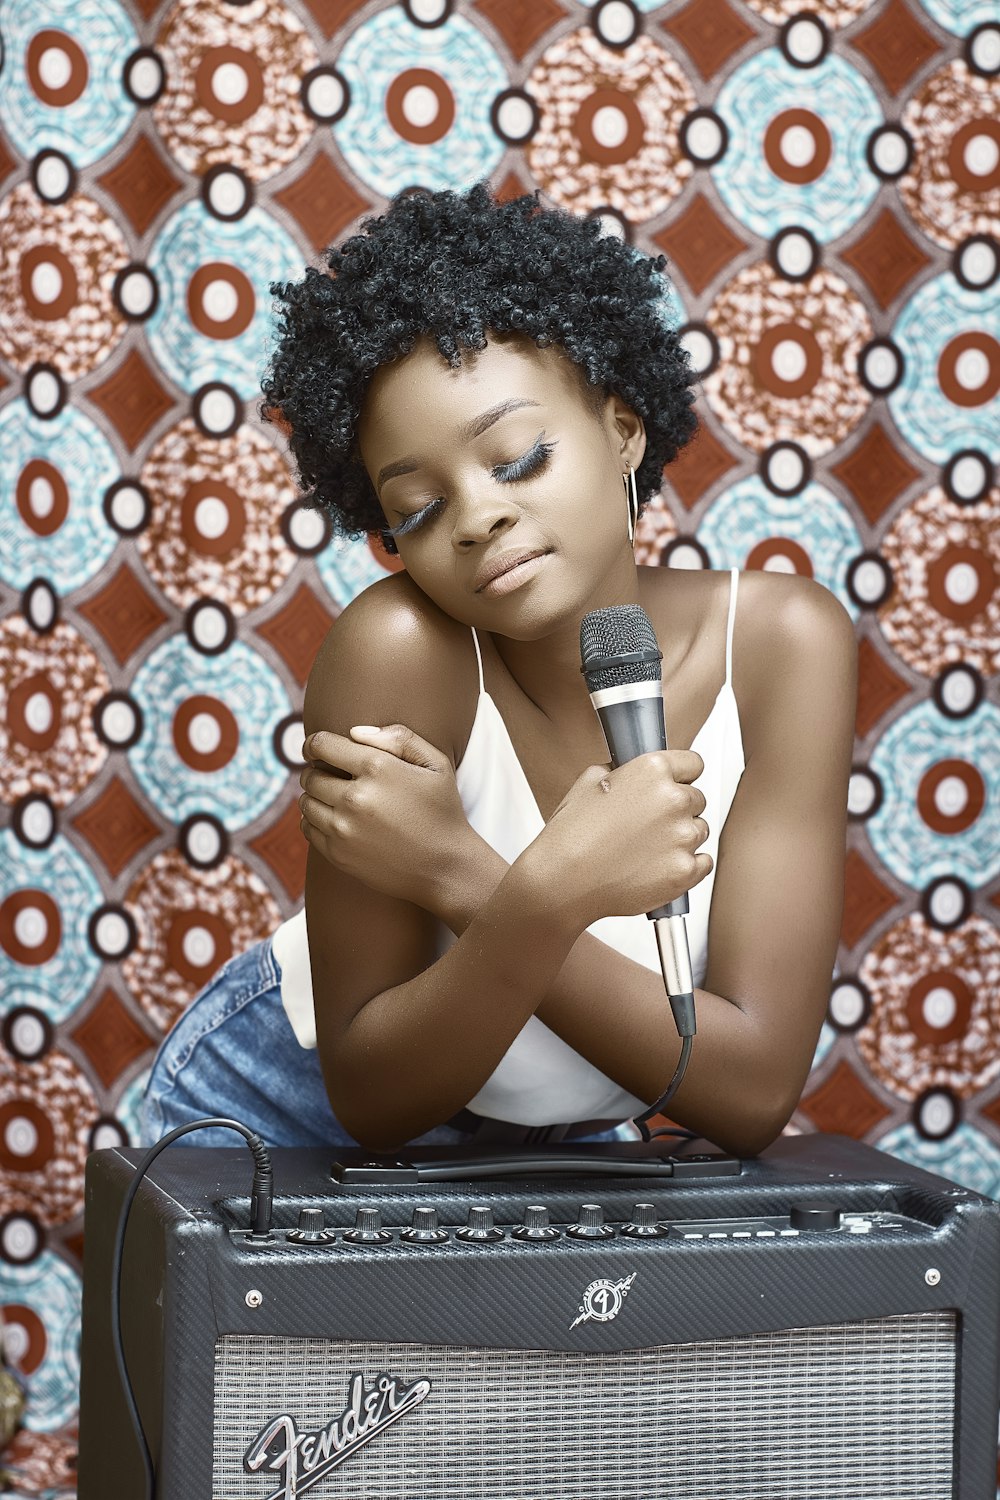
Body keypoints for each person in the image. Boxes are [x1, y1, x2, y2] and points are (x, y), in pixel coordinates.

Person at [141, 185, 855, 1157]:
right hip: (283, 1119)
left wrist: (470, 874)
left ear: (622, 429)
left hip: (561, 1136)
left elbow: (749, 1092)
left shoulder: (783, 647)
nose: (477, 517)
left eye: (516, 459)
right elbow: (375, 1101)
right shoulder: (398, 653)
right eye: (421, 510)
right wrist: (558, 893)